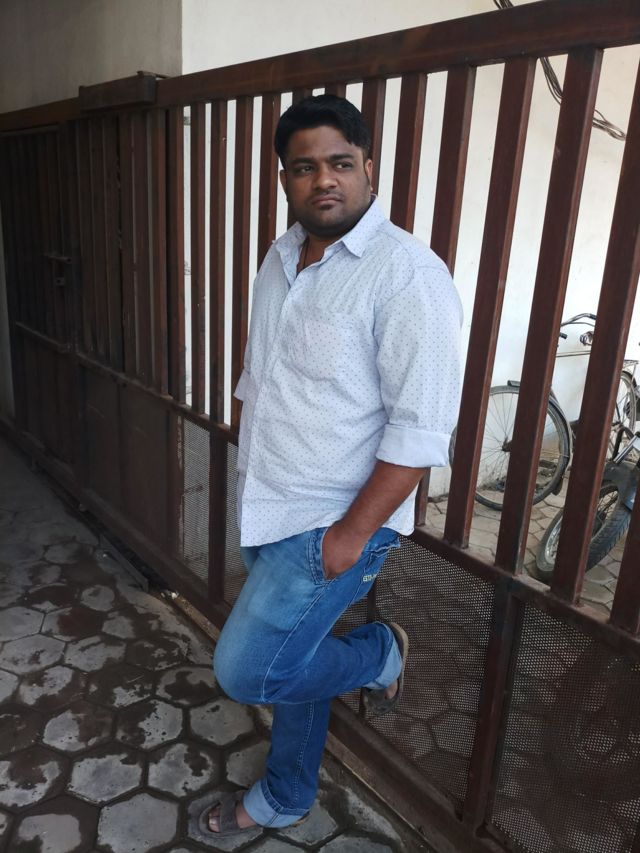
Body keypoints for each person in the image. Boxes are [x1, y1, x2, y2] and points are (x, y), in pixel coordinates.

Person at [203, 94, 462, 837]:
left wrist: (348, 538)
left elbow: (419, 432)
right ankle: (288, 793)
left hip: (331, 523)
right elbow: (261, 373)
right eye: (305, 166)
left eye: (341, 163)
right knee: (295, 653)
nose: (324, 180)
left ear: (369, 168)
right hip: (266, 500)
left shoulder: (408, 276)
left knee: (249, 670)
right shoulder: (280, 257)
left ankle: (377, 653)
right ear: (285, 177)